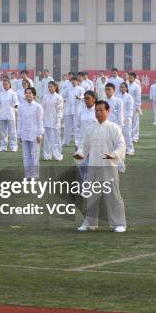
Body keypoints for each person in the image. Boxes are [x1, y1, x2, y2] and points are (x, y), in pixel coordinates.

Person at [73, 100, 127, 233]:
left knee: (113, 195)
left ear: (108, 112)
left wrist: (113, 154)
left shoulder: (114, 128)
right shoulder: (90, 129)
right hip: (93, 166)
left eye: (101, 110)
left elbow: (121, 145)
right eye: (96, 110)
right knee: (91, 195)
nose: (98, 113)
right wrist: (80, 154)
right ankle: (90, 223)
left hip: (108, 166)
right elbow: (83, 146)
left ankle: (119, 223)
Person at [18, 87, 44, 179]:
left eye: (30, 93)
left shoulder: (38, 106)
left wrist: (40, 134)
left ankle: (34, 175)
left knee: (34, 155)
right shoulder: (21, 106)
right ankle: (27, 174)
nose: (28, 94)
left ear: (34, 95)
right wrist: (19, 134)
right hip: (25, 133)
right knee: (26, 155)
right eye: (26, 93)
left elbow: (40, 121)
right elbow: (20, 120)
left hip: (34, 133)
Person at [0, 78, 19, 152]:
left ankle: (13, 146)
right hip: (2, 114)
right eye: (4, 84)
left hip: (10, 114)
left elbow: (16, 102)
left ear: (9, 84)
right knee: (3, 132)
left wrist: (16, 105)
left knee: (12, 131)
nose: (5, 85)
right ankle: (3, 146)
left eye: (6, 84)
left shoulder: (13, 93)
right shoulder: (1, 94)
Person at [42, 81, 64, 161]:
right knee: (46, 139)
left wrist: (58, 119)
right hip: (46, 120)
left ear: (55, 87)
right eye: (49, 87)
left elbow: (60, 110)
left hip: (55, 120)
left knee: (56, 139)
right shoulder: (45, 97)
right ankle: (47, 155)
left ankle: (57, 155)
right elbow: (43, 109)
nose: (50, 88)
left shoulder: (59, 97)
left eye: (51, 86)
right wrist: (42, 119)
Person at [61, 77, 85, 146]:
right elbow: (62, 95)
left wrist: (80, 98)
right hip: (68, 110)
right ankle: (65, 141)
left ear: (77, 81)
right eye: (72, 81)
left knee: (76, 127)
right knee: (67, 127)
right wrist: (62, 100)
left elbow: (83, 96)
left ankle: (77, 142)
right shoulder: (68, 89)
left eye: (75, 81)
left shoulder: (81, 89)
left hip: (77, 110)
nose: (73, 82)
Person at [119, 83, 135, 156]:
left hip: (127, 119)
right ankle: (121, 149)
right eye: (120, 87)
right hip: (119, 119)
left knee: (127, 134)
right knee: (119, 135)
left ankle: (130, 149)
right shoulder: (117, 96)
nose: (121, 88)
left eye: (123, 87)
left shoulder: (129, 97)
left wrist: (129, 117)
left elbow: (130, 108)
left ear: (126, 88)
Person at [128, 73, 142, 142]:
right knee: (128, 121)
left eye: (131, 77)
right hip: (127, 106)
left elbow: (138, 97)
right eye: (129, 77)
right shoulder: (126, 85)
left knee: (135, 121)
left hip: (134, 106)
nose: (129, 79)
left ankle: (135, 136)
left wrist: (138, 106)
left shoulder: (137, 87)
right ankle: (129, 136)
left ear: (134, 78)